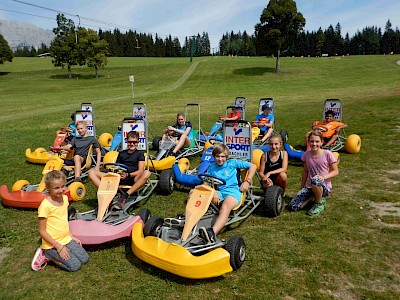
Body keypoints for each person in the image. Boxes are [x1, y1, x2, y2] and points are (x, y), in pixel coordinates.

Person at [31, 170, 89, 271]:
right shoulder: (45, 206)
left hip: (66, 239)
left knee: (85, 259)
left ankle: (62, 249)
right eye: (56, 188)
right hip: (52, 244)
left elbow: (63, 220)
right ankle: (47, 255)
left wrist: (70, 236)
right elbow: (42, 231)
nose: (61, 190)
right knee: (75, 266)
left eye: (63, 186)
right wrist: (58, 246)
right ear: (48, 188)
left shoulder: (65, 199)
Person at [199, 144, 257, 243]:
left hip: (233, 192)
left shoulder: (232, 163)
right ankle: (188, 220)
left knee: (225, 207)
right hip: (219, 192)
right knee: (194, 193)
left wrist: (247, 181)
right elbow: (206, 182)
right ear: (214, 156)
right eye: (218, 156)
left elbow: (253, 166)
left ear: (226, 157)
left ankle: (212, 233)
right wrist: (213, 192)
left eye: (223, 156)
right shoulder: (212, 167)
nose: (220, 159)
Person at [88, 131, 151, 209]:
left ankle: (125, 195)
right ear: (126, 141)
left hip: (133, 177)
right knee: (91, 172)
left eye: (134, 142)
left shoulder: (140, 154)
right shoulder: (121, 153)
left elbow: (140, 171)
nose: (132, 144)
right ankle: (108, 193)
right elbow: (117, 166)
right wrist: (117, 173)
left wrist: (128, 175)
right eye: (130, 142)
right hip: (119, 176)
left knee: (147, 173)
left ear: (138, 142)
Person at [289, 130, 339, 216]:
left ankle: (319, 203)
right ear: (308, 142)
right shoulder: (306, 155)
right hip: (309, 186)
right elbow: (305, 172)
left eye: (317, 141)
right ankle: (312, 197)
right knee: (293, 206)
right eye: (312, 141)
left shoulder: (327, 154)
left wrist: (324, 176)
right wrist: (302, 187)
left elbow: (336, 171)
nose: (314, 144)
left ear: (321, 142)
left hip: (324, 186)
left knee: (315, 179)